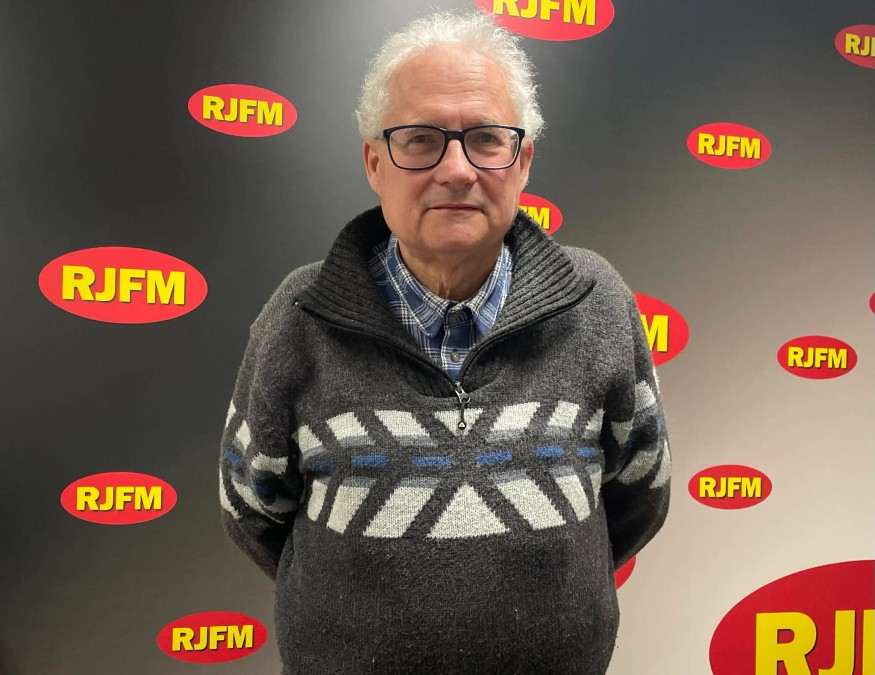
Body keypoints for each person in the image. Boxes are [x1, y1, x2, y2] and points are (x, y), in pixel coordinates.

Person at [219, 11, 670, 675]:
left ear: (522, 161)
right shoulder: (298, 319)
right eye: (421, 139)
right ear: (375, 162)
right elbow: (254, 510)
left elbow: (638, 492)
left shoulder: (596, 303)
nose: (457, 170)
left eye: (486, 139)